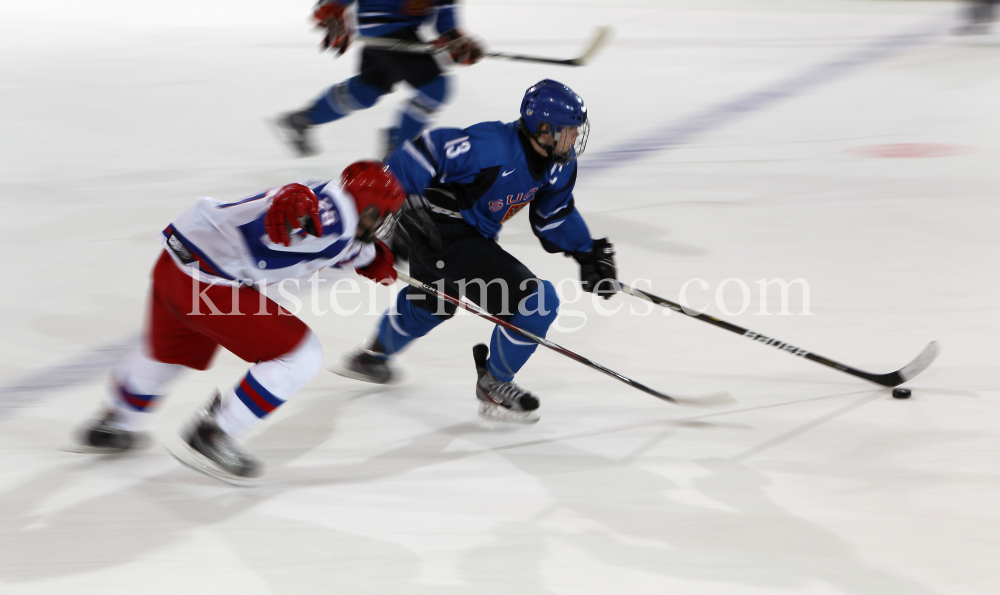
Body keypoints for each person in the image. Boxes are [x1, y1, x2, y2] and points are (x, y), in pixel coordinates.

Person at [70, 161, 405, 484]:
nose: (384, 222)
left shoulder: (336, 204)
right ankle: (215, 432)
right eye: (384, 215)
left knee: (167, 354)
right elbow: (305, 216)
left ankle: (115, 421)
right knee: (300, 355)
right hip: (207, 287)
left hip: (174, 264)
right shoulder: (336, 215)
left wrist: (371, 257)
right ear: (370, 210)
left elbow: (324, 233)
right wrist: (292, 203)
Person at [336, 79, 619, 424]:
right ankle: (495, 384)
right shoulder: (491, 147)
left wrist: (587, 252)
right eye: (568, 131)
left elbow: (553, 218)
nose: (575, 137)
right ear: (543, 129)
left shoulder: (560, 164)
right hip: (438, 230)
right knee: (536, 301)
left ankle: (372, 357)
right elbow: (418, 154)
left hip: (468, 236)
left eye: (577, 130)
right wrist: (398, 204)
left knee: (433, 302)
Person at [276, 0, 483, 158]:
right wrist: (333, 6)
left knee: (366, 91)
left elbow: (444, 14)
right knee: (435, 88)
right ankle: (398, 153)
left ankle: (302, 119)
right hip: (388, 29)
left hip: (389, 33)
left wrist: (455, 38)